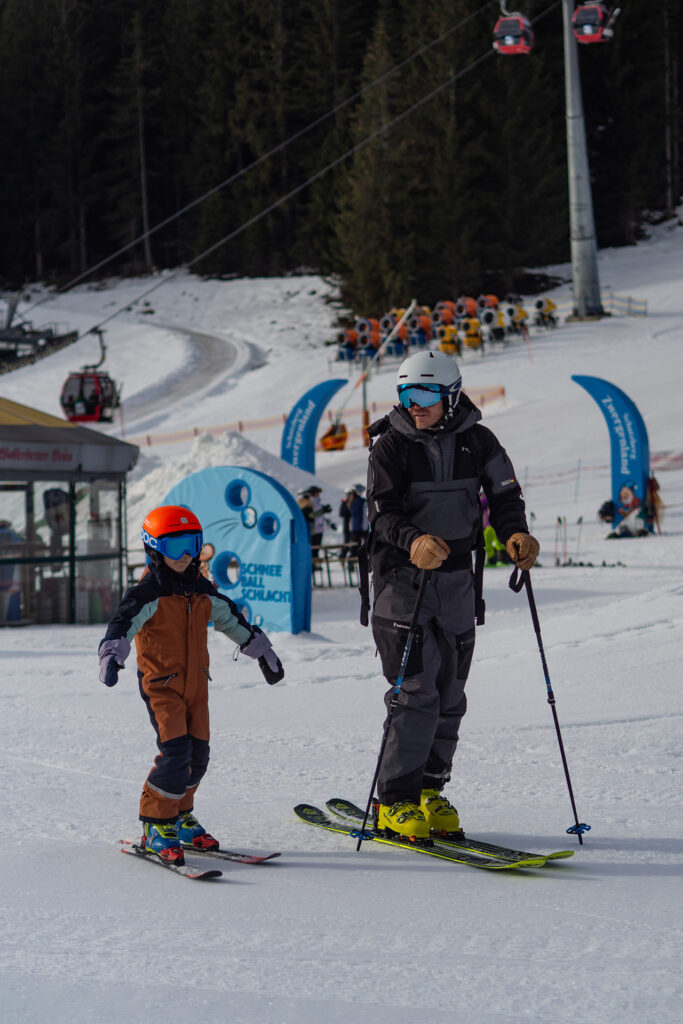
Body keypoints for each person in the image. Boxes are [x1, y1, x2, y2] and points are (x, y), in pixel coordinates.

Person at [364, 349, 539, 840]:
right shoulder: (390, 446)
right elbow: (383, 512)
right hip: (404, 585)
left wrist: (515, 535)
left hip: (458, 583)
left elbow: (505, 497)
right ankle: (394, 801)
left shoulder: (478, 441)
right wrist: (413, 540)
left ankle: (429, 790)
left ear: (451, 394)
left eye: (423, 394)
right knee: (415, 692)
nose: (413, 404)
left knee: (450, 693)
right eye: (405, 394)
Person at [97, 505, 284, 865]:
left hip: (197, 686)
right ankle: (155, 823)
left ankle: (179, 816)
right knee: (175, 753)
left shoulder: (201, 589)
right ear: (154, 550)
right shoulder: (148, 593)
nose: (184, 556)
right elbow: (123, 624)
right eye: (174, 547)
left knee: (198, 757)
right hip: (161, 686)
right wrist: (112, 656)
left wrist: (262, 652)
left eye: (191, 544)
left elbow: (232, 620)